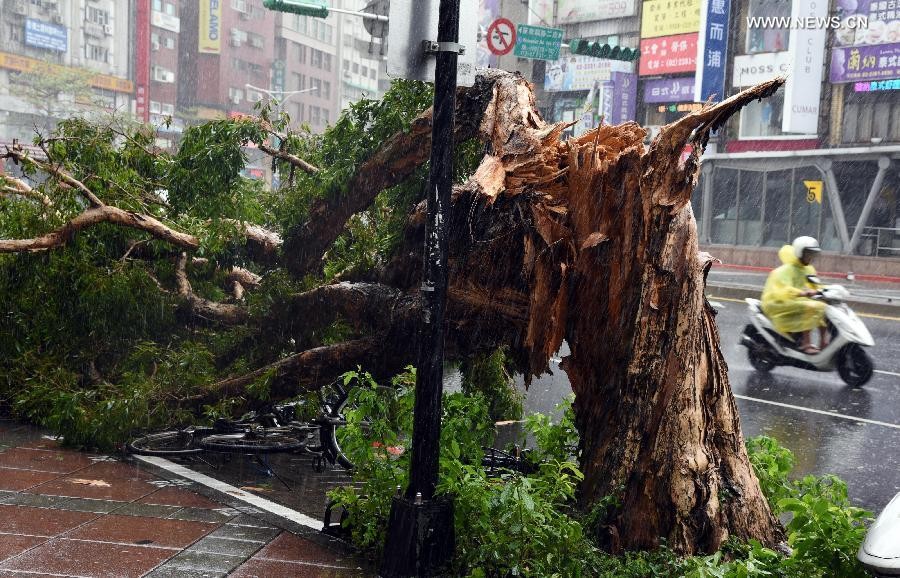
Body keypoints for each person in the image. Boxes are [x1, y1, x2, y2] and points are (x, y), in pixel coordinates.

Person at [760, 236, 828, 354]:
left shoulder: (808, 269)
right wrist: (802, 292)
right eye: (808, 253)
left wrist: (825, 292)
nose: (810, 257)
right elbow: (783, 289)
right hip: (776, 302)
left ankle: (824, 342)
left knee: (824, 307)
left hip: (793, 300)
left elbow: (816, 285)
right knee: (810, 306)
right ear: (799, 252)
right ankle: (805, 344)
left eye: (813, 254)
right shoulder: (785, 270)